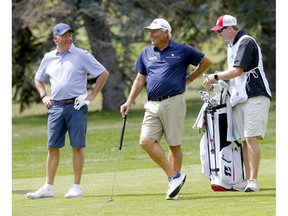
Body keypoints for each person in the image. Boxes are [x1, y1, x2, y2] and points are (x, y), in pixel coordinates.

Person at [120, 18, 212, 200]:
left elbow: (206, 62)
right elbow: (140, 79)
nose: (151, 34)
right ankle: (174, 177)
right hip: (152, 104)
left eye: (155, 31)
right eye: (150, 31)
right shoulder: (146, 52)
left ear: (166, 32)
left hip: (173, 102)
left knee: (173, 145)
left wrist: (191, 78)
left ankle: (173, 185)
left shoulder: (182, 49)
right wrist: (129, 101)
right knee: (145, 141)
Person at [26, 23, 109, 199]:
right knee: (52, 147)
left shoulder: (82, 55)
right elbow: (38, 79)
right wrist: (43, 96)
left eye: (70, 35)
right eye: (64, 36)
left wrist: (92, 95)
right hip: (55, 107)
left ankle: (76, 187)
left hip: (76, 106)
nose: (68, 38)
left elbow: (103, 73)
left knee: (77, 146)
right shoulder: (48, 58)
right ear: (56, 38)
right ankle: (48, 187)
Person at [204, 15, 272, 192]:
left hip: (254, 95)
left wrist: (215, 76)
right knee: (242, 139)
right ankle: (246, 180)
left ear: (229, 28)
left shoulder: (245, 42)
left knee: (251, 137)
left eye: (220, 30)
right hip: (240, 97)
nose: (218, 34)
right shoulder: (232, 46)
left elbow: (237, 70)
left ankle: (253, 181)